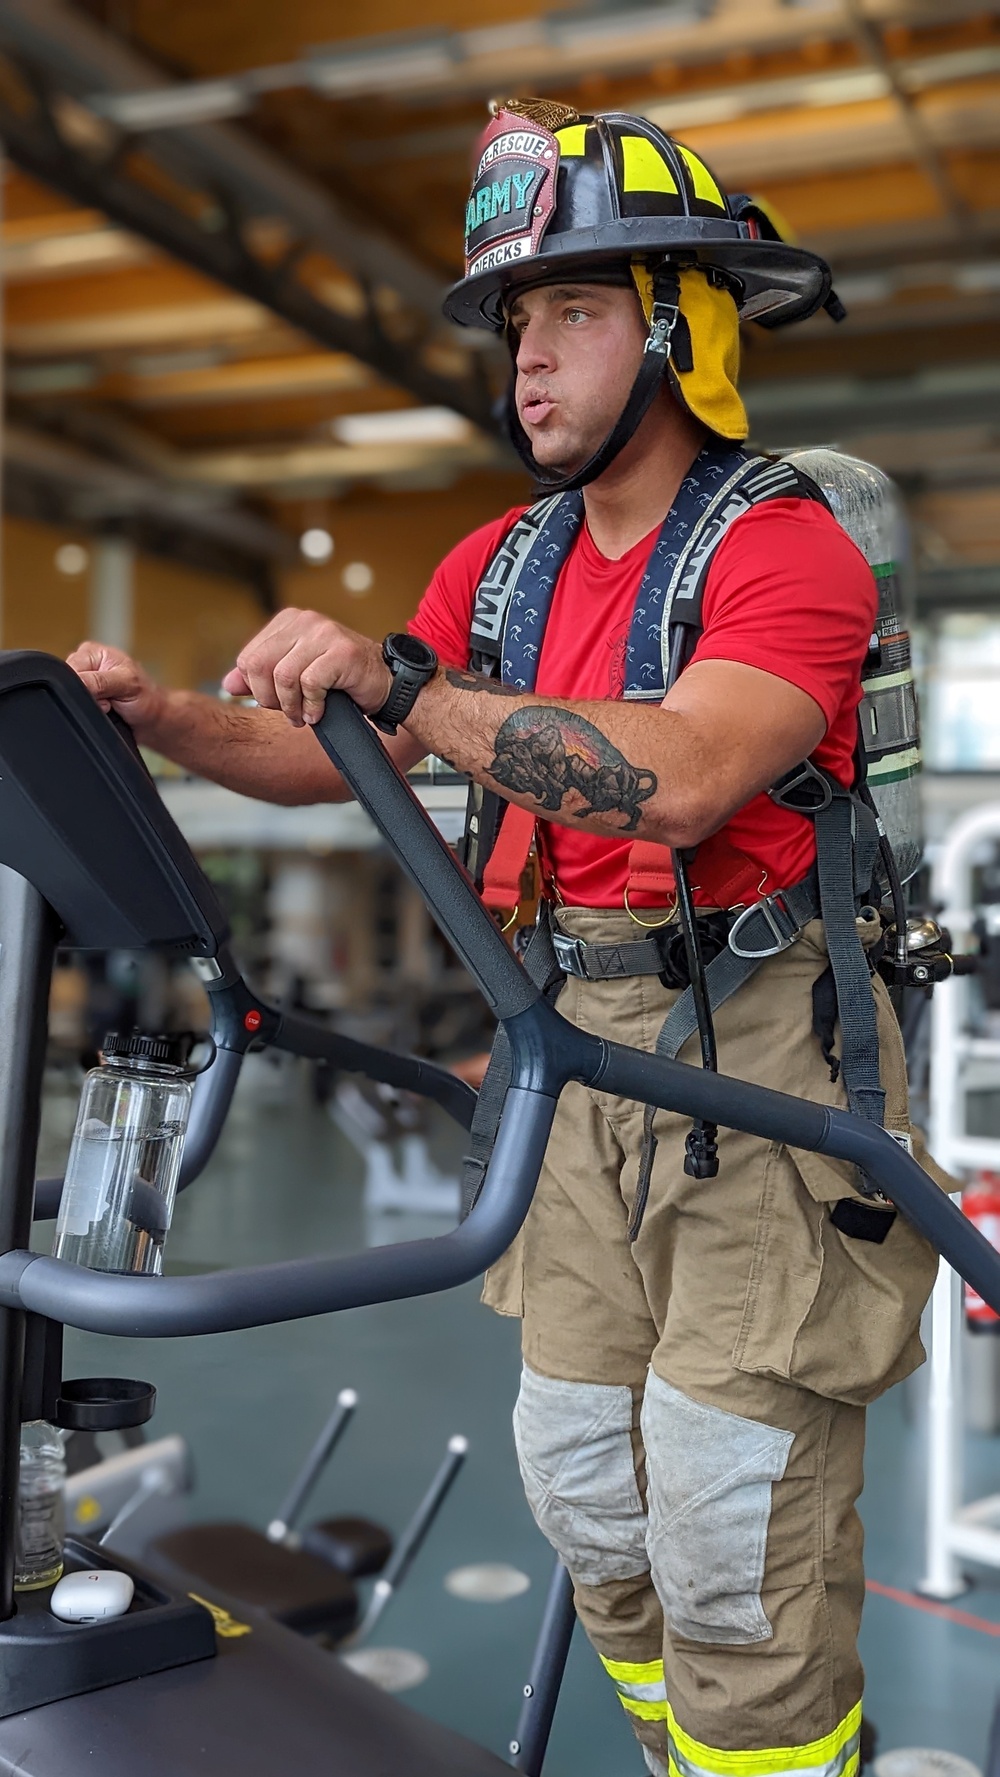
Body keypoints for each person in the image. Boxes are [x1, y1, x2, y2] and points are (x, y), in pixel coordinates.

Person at [69, 102, 940, 1777]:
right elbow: (347, 751)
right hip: (569, 1059)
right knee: (587, 1481)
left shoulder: (785, 549)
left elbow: (676, 778)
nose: (528, 363)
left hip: (758, 1056)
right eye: (518, 324)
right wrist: (158, 711)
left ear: (681, 327)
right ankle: (686, 1752)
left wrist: (399, 682)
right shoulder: (501, 563)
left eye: (575, 315)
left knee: (725, 1512)